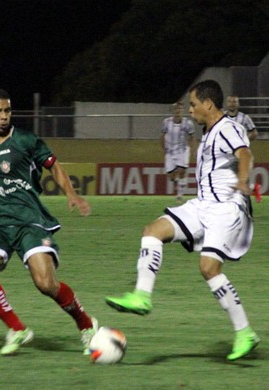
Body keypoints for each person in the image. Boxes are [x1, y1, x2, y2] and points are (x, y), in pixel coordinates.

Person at [106, 80, 260, 361]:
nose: (190, 110)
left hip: (226, 208)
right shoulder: (209, 132)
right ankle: (142, 296)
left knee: (209, 268)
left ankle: (244, 332)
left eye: (193, 104)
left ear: (208, 104)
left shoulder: (229, 128)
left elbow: (246, 154)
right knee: (153, 231)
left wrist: (242, 181)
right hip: (203, 205)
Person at [0, 88, 98, 356]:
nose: (4, 116)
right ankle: (17, 328)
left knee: (46, 283)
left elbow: (54, 165)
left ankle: (86, 324)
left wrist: (72, 194)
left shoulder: (26, 140)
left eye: (7, 110)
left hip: (31, 221)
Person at [226, 95, 261, 202]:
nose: (232, 104)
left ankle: (248, 211)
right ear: (227, 104)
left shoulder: (244, 118)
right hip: (226, 154)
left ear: (238, 104)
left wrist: (244, 141)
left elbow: (254, 133)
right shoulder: (222, 117)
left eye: (234, 102)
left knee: (242, 181)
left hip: (240, 154)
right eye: (230, 102)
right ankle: (253, 188)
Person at [161, 101, 195, 202]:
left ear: (182, 110)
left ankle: (179, 196)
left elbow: (192, 137)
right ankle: (179, 182)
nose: (178, 111)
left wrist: (193, 150)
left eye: (180, 109)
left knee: (181, 171)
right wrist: (164, 149)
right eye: (176, 109)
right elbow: (162, 136)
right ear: (173, 110)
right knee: (171, 177)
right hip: (170, 151)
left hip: (182, 151)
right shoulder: (166, 122)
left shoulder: (187, 123)